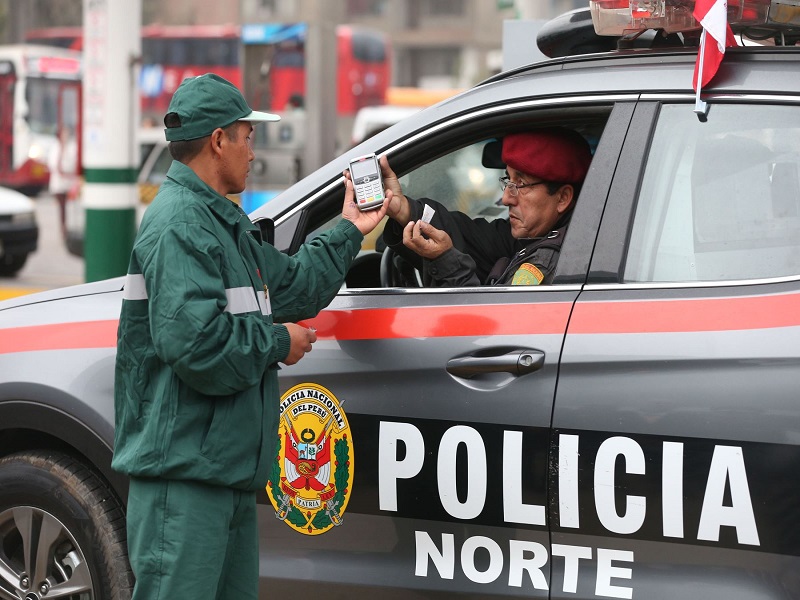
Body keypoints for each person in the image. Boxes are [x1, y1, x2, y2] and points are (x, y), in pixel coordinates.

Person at [111, 73, 387, 600]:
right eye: (246, 136)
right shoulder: (180, 225)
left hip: (222, 477)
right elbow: (197, 345)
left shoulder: (222, 224)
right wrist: (278, 343)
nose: (252, 151)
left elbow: (294, 286)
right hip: (185, 484)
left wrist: (351, 224)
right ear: (219, 140)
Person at [380, 127, 592, 286]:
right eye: (508, 180)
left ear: (563, 198)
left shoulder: (546, 262)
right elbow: (469, 235)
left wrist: (446, 262)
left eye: (521, 184)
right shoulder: (534, 236)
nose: (507, 198)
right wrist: (404, 210)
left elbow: (496, 328)